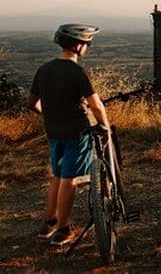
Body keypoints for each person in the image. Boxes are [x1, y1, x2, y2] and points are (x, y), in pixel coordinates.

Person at [27, 24, 109, 246]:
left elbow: (32, 103)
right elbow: (97, 106)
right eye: (87, 43)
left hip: (53, 131)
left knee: (58, 174)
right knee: (69, 179)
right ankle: (64, 229)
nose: (88, 47)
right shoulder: (77, 72)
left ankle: (48, 223)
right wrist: (105, 127)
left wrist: (51, 114)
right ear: (78, 45)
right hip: (77, 132)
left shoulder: (44, 69)